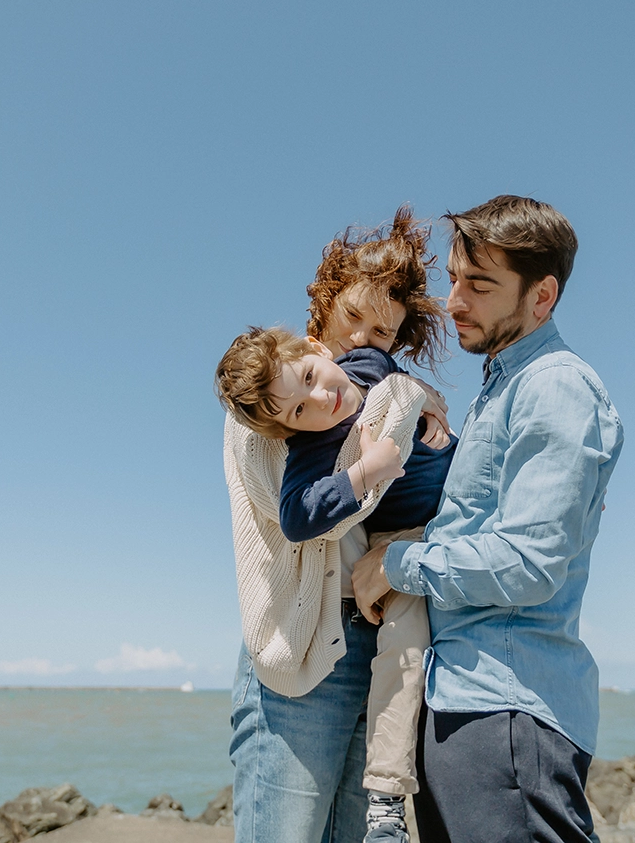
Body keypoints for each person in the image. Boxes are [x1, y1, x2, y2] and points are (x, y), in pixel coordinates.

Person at [352, 195, 624, 843]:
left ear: (542, 296)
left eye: (479, 284)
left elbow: (528, 563)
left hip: (505, 711)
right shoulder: (497, 390)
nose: (454, 302)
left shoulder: (554, 385)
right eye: (453, 279)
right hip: (466, 705)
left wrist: (395, 565)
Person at [218, 207, 451, 843]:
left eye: (382, 332)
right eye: (352, 315)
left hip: (372, 640)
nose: (362, 340)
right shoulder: (271, 402)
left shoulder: (360, 391)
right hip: (298, 650)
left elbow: (414, 495)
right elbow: (317, 520)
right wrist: (402, 398)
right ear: (323, 302)